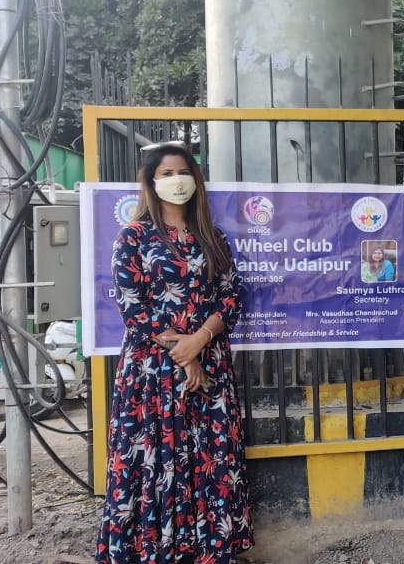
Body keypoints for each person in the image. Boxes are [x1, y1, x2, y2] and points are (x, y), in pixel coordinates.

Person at [97, 143, 254, 564]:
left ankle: (209, 552)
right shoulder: (132, 237)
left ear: (196, 179)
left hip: (210, 367)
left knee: (210, 459)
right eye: (165, 173)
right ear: (150, 182)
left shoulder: (211, 236)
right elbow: (133, 306)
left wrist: (199, 340)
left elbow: (232, 294)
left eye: (182, 171)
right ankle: (154, 553)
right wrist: (185, 354)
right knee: (156, 459)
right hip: (152, 371)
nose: (175, 180)